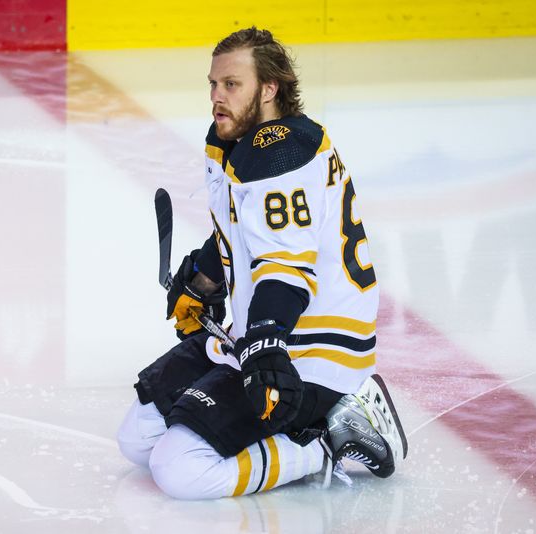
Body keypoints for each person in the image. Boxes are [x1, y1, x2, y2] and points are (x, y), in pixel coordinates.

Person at [117, 27, 407, 499]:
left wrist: (265, 338)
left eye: (231, 84)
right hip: (259, 332)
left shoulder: (282, 153)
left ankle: (332, 438)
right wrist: (204, 282)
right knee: (137, 440)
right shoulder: (240, 143)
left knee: (180, 469)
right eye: (213, 84)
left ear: (269, 88)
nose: (216, 96)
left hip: (313, 350)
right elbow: (242, 232)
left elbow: (285, 267)